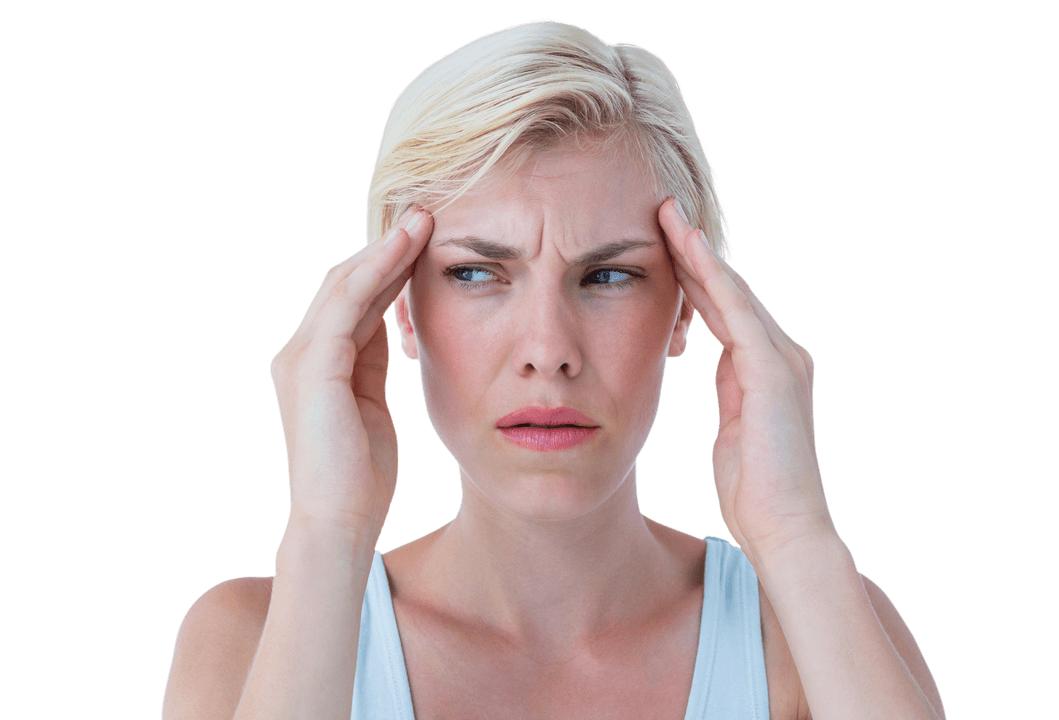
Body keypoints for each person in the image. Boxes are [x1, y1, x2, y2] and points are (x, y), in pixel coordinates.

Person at [162, 19, 945, 720]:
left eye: (607, 277)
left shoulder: (813, 635)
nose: (548, 349)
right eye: (476, 273)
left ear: (687, 310)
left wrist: (796, 535)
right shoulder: (246, 641)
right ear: (397, 306)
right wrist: (329, 534)